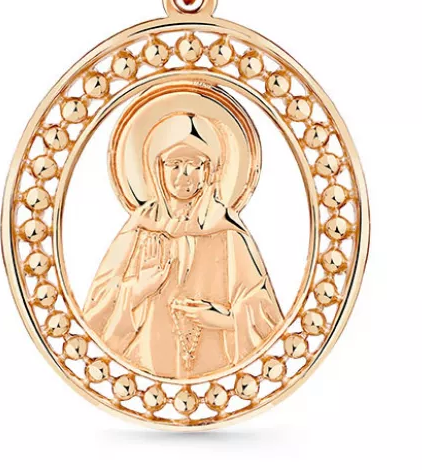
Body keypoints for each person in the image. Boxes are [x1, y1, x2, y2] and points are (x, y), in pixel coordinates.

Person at [84, 108, 282, 378]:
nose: (184, 174)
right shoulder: (141, 228)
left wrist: (224, 320)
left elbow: (262, 311)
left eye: (195, 164)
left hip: (216, 367)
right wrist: (139, 290)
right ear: (158, 169)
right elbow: (97, 313)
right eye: (174, 164)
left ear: (208, 170)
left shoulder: (227, 230)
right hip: (147, 364)